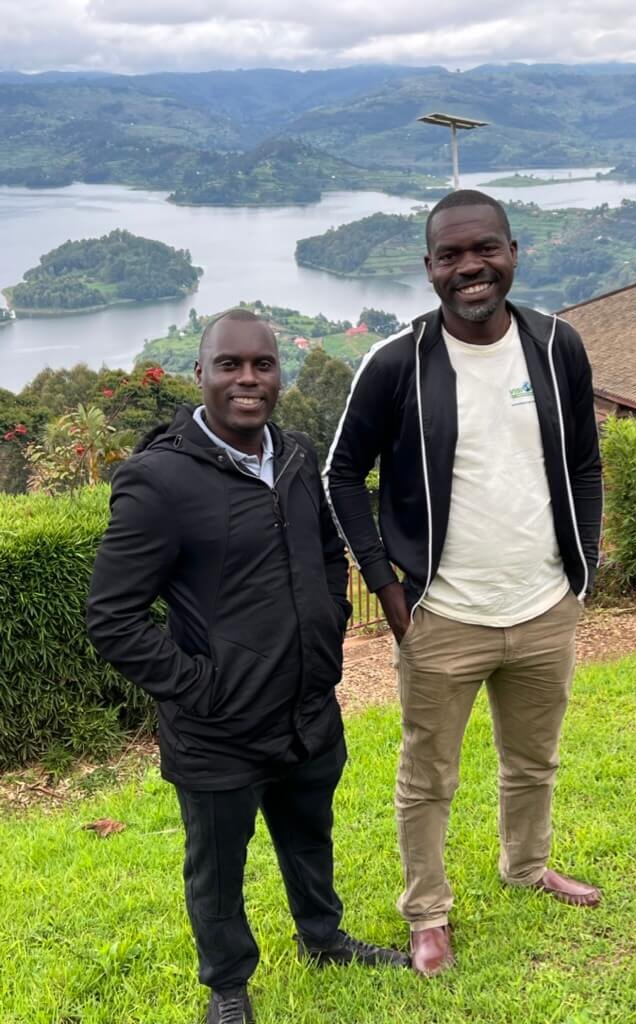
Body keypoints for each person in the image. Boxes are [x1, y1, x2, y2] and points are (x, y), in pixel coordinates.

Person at [87, 310, 408, 1024]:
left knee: (309, 835)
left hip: (306, 704)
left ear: (278, 374)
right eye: (228, 365)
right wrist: (201, 689)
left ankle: (322, 940)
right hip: (216, 728)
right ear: (199, 373)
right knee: (217, 865)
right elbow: (111, 617)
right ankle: (227, 987)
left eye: (261, 365)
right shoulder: (157, 481)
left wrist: (329, 624)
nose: (247, 380)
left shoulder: (294, 455)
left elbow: (327, 550)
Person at [324, 190, 604, 977]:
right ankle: (428, 914)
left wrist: (582, 563)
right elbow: (342, 475)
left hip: (545, 605)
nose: (469, 267)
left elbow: (583, 460)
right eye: (450, 255)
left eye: (484, 249)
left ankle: (526, 866)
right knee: (427, 778)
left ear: (513, 252)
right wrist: (384, 586)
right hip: (440, 616)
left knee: (533, 760)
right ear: (429, 269)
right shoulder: (396, 364)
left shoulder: (556, 348)